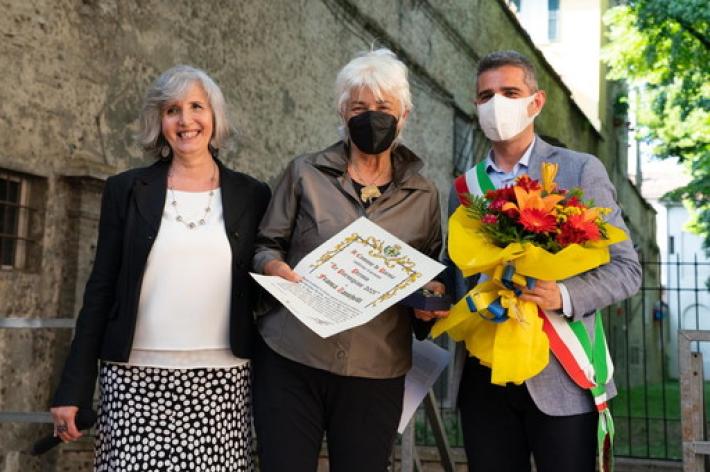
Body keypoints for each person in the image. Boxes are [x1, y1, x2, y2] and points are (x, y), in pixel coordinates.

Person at [50, 65, 270, 471]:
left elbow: (265, 276)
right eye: (172, 110)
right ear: (160, 122)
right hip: (133, 380)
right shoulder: (126, 190)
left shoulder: (252, 194)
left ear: (215, 116)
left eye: (197, 106)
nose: (186, 120)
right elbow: (100, 290)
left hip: (222, 382)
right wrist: (73, 388)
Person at [251, 48, 447, 472]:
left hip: (376, 369)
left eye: (384, 107)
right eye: (359, 107)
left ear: (404, 115)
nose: (371, 116)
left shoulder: (425, 195)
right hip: (292, 355)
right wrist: (272, 266)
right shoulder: (304, 173)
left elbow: (429, 273)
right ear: (343, 112)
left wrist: (431, 299)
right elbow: (266, 243)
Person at [444, 51, 642, 472]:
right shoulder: (463, 189)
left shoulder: (578, 171)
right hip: (485, 378)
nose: (497, 104)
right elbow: (456, 273)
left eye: (510, 92)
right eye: (486, 96)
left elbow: (626, 269)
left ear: (536, 102)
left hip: (562, 376)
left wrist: (563, 294)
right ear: (476, 105)